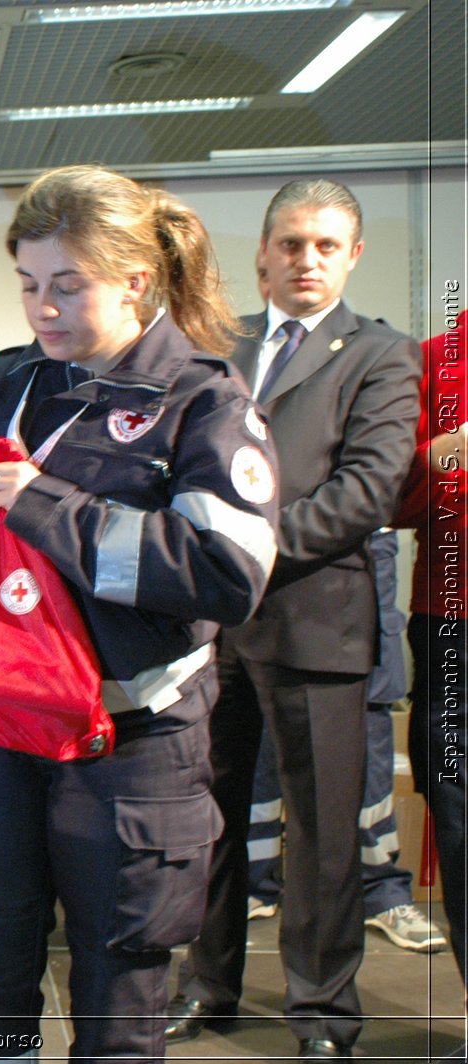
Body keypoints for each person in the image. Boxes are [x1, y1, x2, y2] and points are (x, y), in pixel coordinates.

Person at [0, 164, 279, 1061]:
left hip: (130, 747)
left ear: (135, 279)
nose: (43, 308)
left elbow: (226, 570)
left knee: (119, 1011)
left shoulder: (206, 398)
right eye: (29, 285)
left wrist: (50, 507)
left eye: (68, 286)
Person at [167, 179, 423, 1060]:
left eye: (324, 245)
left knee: (320, 831)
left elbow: (368, 489)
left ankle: (322, 1010)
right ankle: (208, 982)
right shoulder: (217, 345)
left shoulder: (383, 354)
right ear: (262, 253)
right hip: (211, 629)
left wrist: (244, 553)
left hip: (318, 622)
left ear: (352, 255)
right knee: (209, 814)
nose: (305, 260)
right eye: (289, 243)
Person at [243, 528, 446, 953]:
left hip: (360, 537)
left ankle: (381, 889)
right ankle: (252, 878)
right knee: (256, 699)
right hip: (265, 528)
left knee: (367, 705)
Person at [394, 316, 467, 1064]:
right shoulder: (439, 361)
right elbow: (389, 498)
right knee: (459, 815)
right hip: (453, 623)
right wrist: (441, 456)